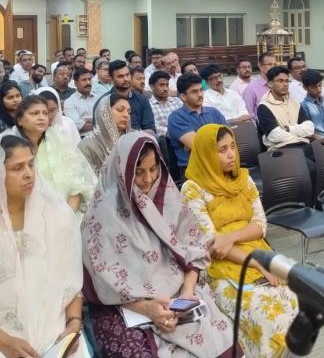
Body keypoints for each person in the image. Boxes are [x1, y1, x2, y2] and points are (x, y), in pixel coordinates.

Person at [81, 131, 237, 357]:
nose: (148, 179)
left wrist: (187, 293)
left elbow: (194, 249)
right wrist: (148, 309)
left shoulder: (168, 198)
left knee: (221, 335)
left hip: (179, 291)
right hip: (126, 306)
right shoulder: (102, 216)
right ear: (122, 170)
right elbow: (103, 285)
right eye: (138, 172)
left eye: (153, 169)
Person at [0, 136, 90, 358]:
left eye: (31, 164)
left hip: (55, 332)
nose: (29, 173)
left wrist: (74, 324)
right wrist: (4, 343)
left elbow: (71, 281)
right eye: (17, 168)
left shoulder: (57, 217)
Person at [182, 125, 298, 358]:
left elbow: (260, 225)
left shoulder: (244, 180)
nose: (231, 154)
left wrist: (231, 236)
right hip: (219, 267)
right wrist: (258, 265)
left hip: (259, 252)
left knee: (296, 298)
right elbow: (214, 245)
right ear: (206, 154)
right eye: (222, 149)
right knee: (263, 313)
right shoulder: (192, 189)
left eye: (232, 147)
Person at [8, 96, 96, 212]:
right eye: (35, 113)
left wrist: (67, 215)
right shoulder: (9, 147)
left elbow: (78, 185)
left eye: (45, 113)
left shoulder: (59, 140)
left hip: (68, 212)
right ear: (19, 120)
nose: (42, 117)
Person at [167, 73, 226, 170]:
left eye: (201, 90)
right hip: (194, 170)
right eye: (194, 92)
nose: (200, 94)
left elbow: (229, 139)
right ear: (183, 96)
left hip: (220, 164)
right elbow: (200, 146)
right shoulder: (176, 117)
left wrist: (199, 140)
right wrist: (217, 139)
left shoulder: (214, 112)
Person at [78, 93, 131, 174]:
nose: (126, 115)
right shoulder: (87, 145)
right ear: (105, 112)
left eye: (129, 112)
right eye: (120, 110)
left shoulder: (132, 140)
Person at [96, 60, 154, 132]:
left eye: (127, 75)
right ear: (112, 79)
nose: (125, 79)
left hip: (139, 137)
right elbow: (100, 131)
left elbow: (150, 129)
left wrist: (135, 135)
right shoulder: (104, 102)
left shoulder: (142, 99)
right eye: (120, 76)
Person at [147, 70, 182, 137]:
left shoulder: (177, 101)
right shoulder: (148, 105)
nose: (165, 89)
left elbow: (186, 119)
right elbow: (156, 127)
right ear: (152, 87)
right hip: (164, 139)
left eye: (167, 85)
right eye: (161, 85)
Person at [242, 53, 277, 117]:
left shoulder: (278, 84)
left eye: (275, 64)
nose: (273, 67)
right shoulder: (251, 89)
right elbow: (249, 115)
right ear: (260, 66)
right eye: (269, 64)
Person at [64, 69, 96, 137]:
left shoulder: (98, 98)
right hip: (82, 138)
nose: (88, 82)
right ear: (76, 83)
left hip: (101, 136)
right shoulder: (70, 102)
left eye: (89, 79)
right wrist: (98, 123)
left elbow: (106, 120)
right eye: (84, 80)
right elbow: (77, 126)